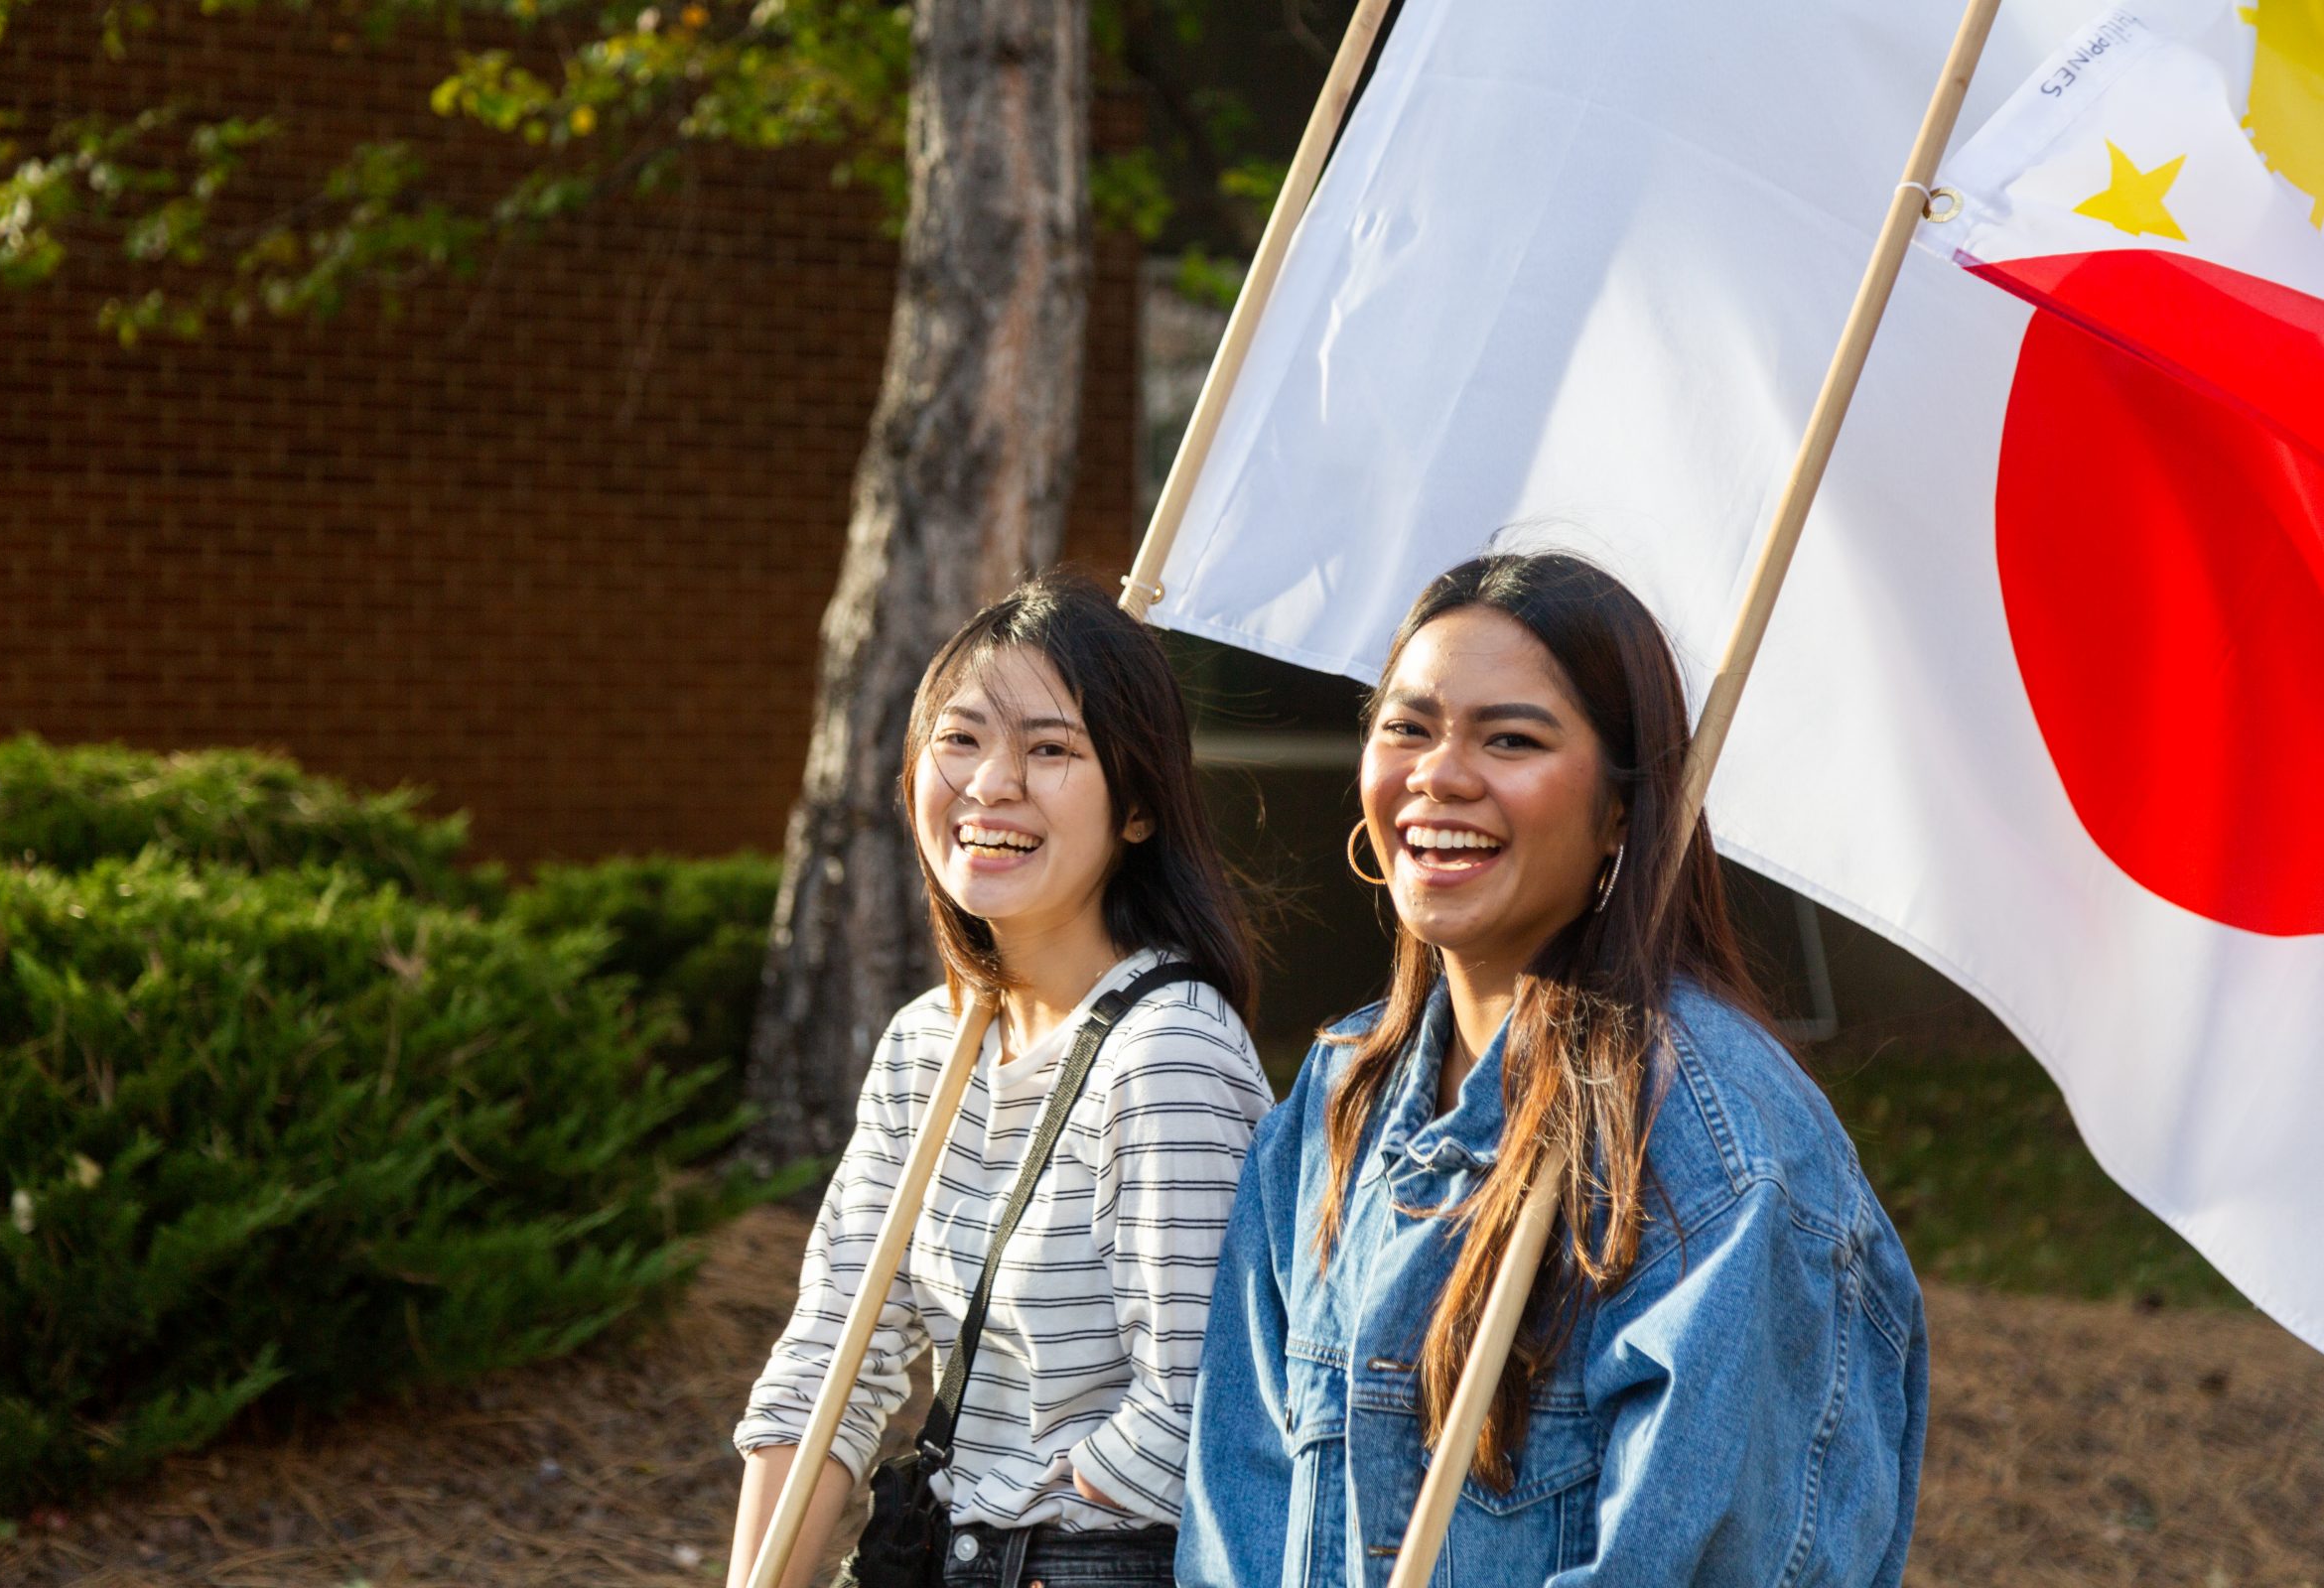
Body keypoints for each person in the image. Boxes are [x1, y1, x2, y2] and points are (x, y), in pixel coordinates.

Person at [1176, 552, 1929, 1587]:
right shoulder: (1328, 1107)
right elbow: (1237, 1528)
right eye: (1407, 725)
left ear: (1624, 808)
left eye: (1512, 738)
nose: (1439, 773)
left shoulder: (1723, 1160)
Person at [727, 571, 1273, 1588]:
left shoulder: (1169, 1054)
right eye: (961, 737)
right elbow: (827, 1367)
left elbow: (1208, 1403)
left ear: (1140, 806)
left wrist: (1025, 1507)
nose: (991, 784)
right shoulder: (924, 1046)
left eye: (1051, 747)